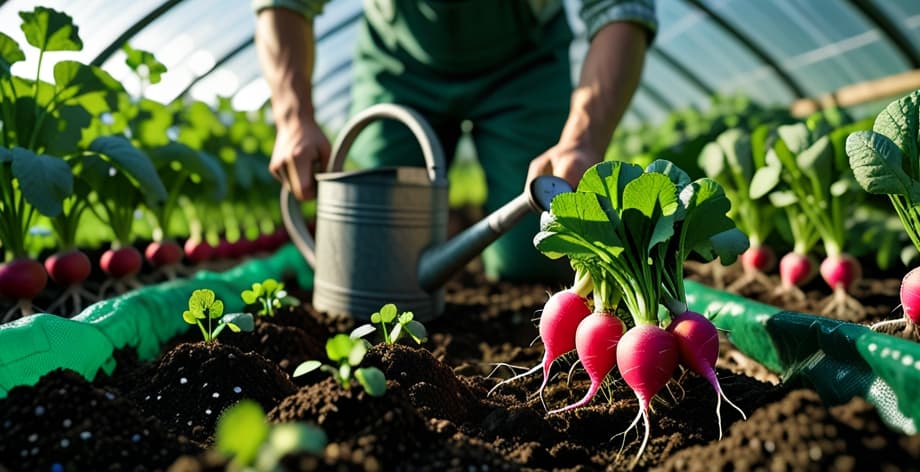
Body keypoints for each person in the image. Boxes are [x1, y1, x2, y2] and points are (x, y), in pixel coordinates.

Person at [253, 0, 656, 283]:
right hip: (399, 66)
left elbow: (621, 9)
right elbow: (284, 3)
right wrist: (293, 119)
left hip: (524, 67)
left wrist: (581, 140)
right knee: (383, 250)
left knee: (539, 253)